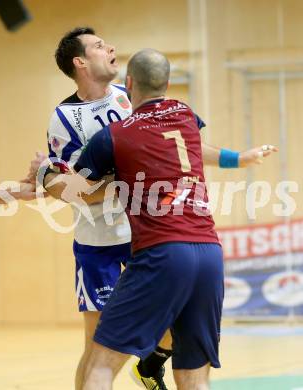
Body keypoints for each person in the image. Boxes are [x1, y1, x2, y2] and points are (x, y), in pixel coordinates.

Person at [40, 28, 277, 390]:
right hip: (100, 240)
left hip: (146, 234)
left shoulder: (128, 97)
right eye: (100, 45)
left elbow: (188, 144)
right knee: (98, 345)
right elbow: (73, 188)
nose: (111, 47)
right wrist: (50, 177)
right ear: (80, 62)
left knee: (171, 327)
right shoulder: (64, 117)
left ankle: (149, 364)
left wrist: (237, 159)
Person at [67, 47, 224, 389]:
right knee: (195, 379)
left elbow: (76, 190)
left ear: (128, 83)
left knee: (100, 365)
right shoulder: (186, 115)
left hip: (162, 252)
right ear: (167, 84)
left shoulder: (114, 134)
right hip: (210, 253)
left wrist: (46, 173)